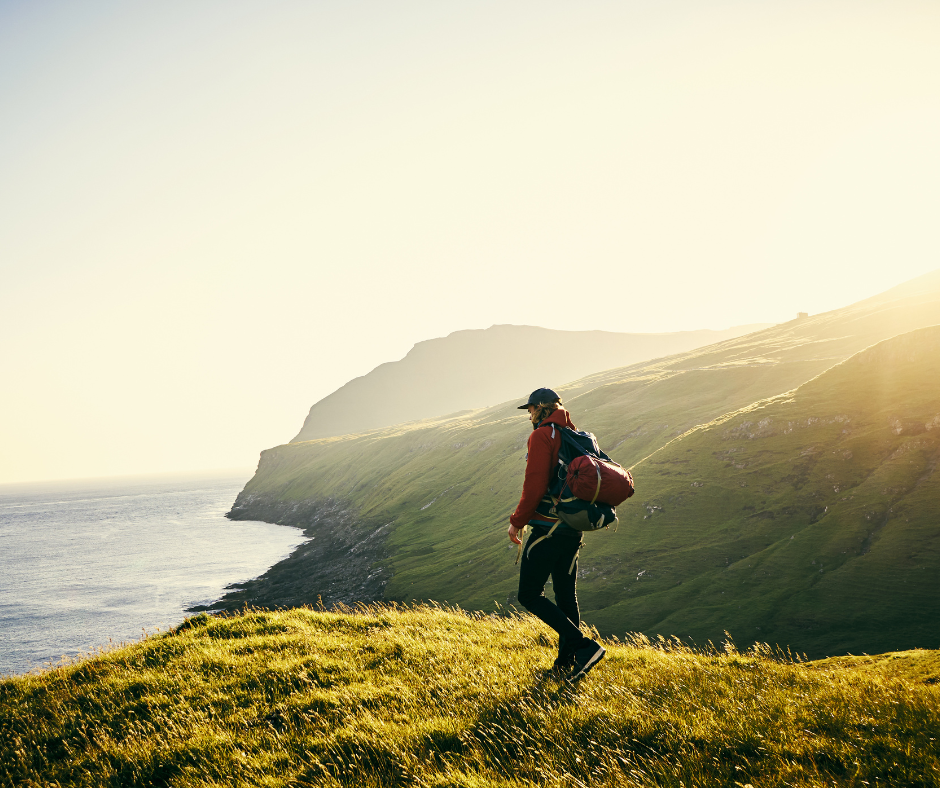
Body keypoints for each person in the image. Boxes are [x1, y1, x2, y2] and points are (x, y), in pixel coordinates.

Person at [508, 387, 605, 681]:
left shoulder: (542, 436)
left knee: (529, 594)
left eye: (530, 410)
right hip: (573, 528)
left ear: (539, 408)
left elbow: (534, 485)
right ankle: (564, 665)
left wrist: (517, 521)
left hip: (546, 529)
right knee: (565, 596)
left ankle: (584, 647)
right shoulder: (578, 436)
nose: (528, 415)